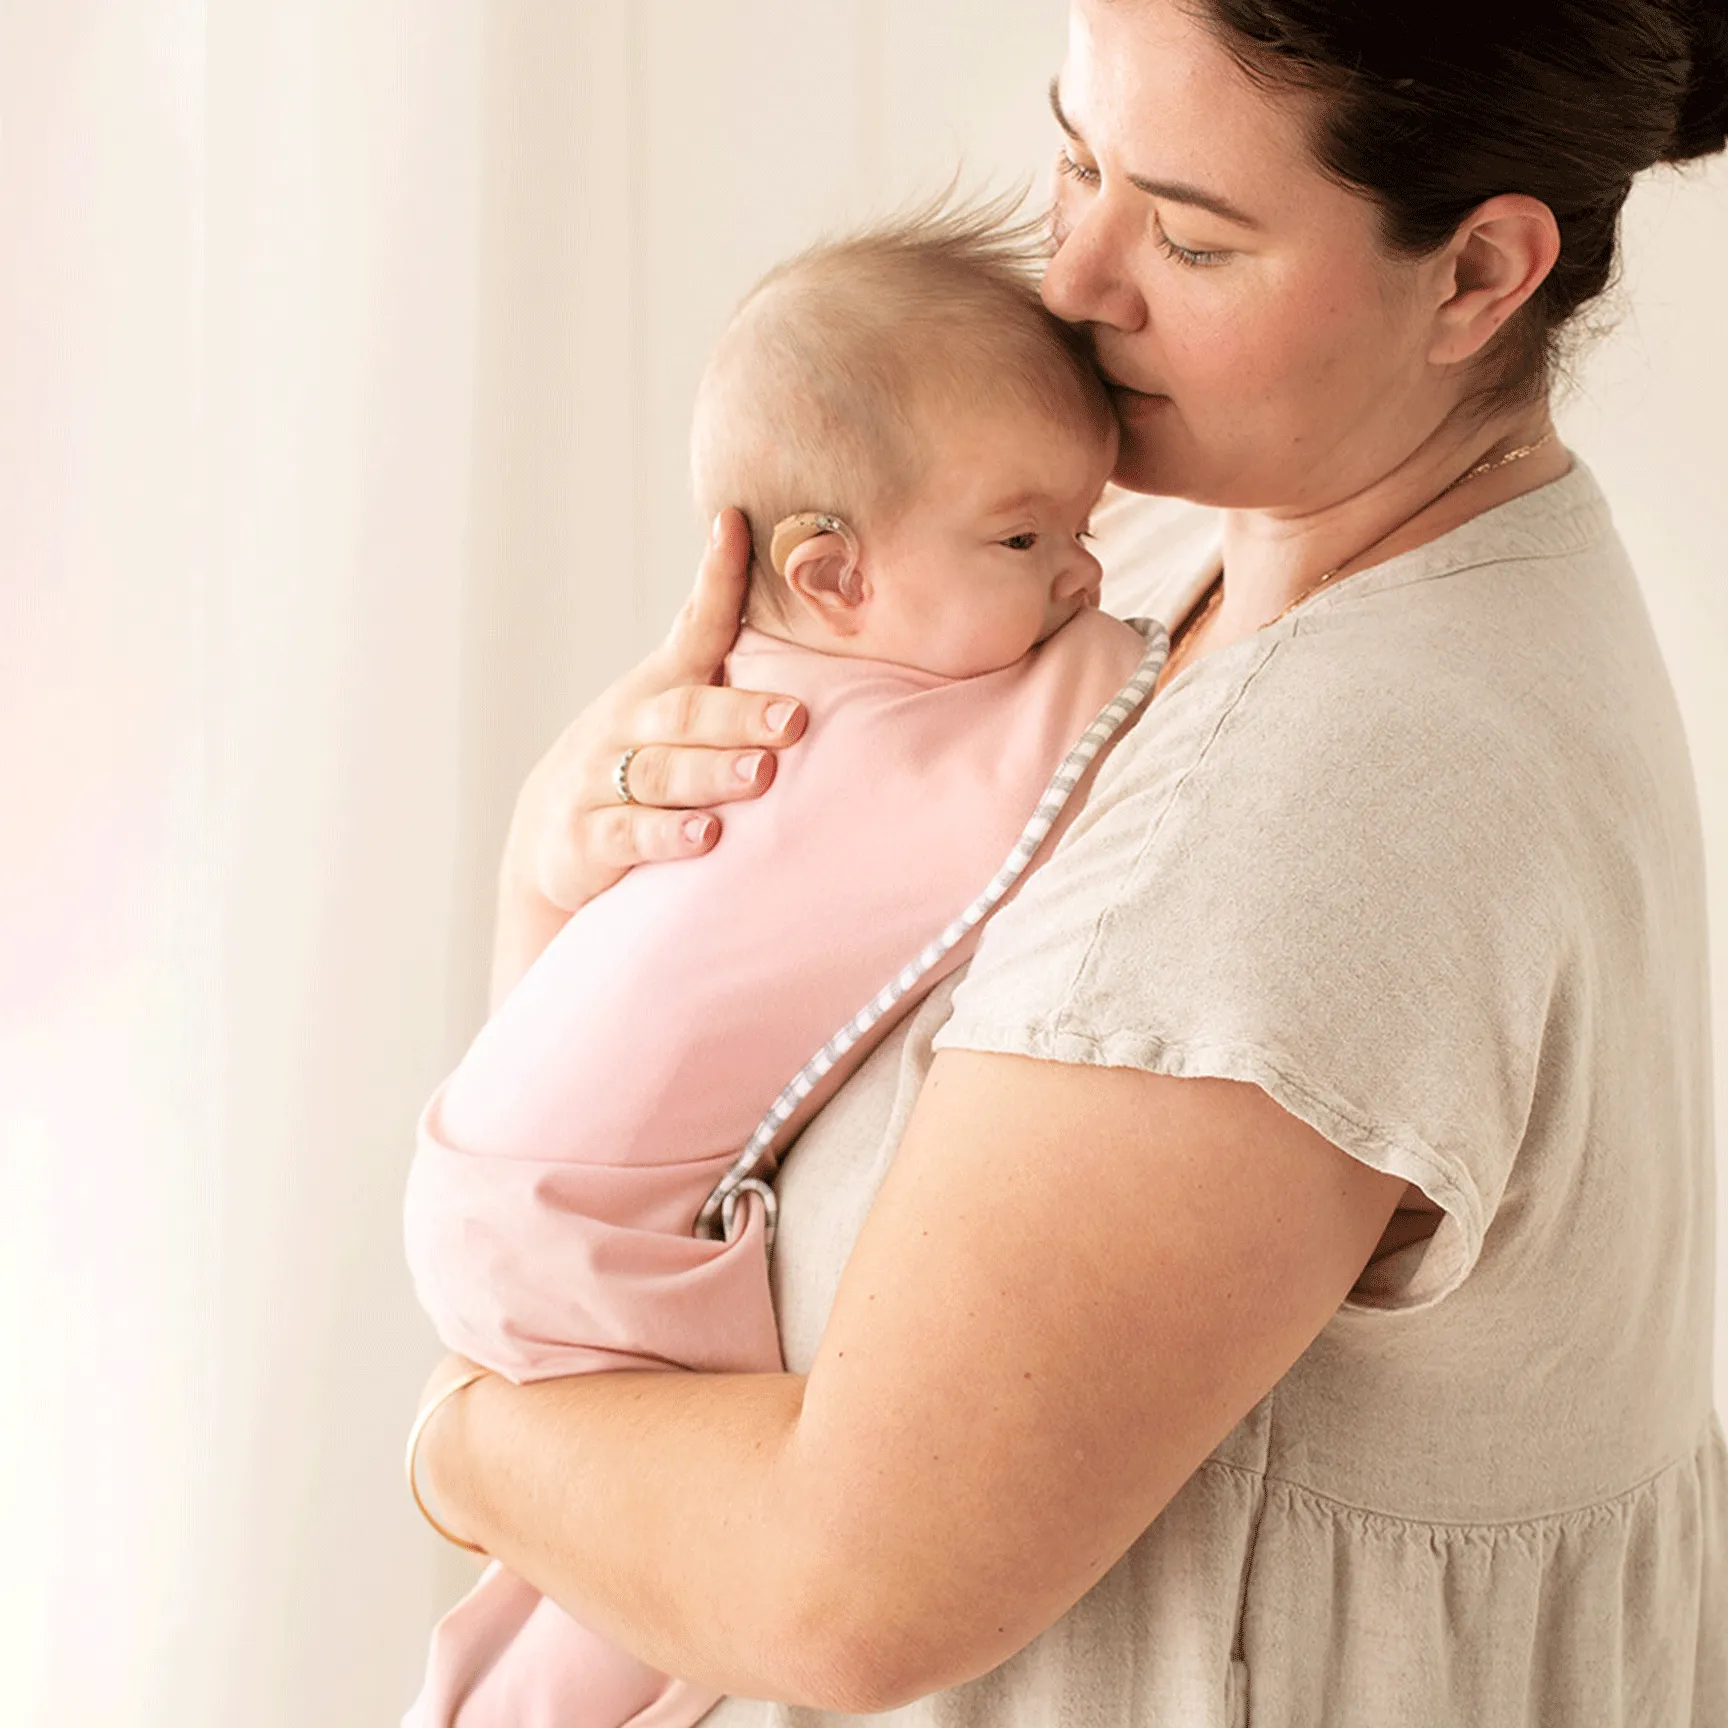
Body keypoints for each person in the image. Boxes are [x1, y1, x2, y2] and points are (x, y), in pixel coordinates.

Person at [409, 1, 1728, 1722]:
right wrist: (571, 869)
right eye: (1078, 160)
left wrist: (467, 1432)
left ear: (1479, 274)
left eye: (1189, 233)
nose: (1080, 279)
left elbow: (843, 1592)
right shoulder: (1172, 562)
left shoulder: (1323, 795)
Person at [398, 208, 1161, 1728]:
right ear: (833, 578)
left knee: (585, 1548)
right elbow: (1103, 717)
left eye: (1085, 532)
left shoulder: (771, 686)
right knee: (674, 1585)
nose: (1081, 577)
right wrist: (1161, 635)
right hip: (582, 1221)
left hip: (508, 1169)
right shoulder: (885, 740)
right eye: (1024, 538)